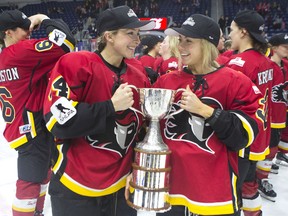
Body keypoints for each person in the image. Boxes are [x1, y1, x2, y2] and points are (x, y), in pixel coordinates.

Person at [144, 14, 264, 216]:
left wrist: (206, 111)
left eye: (189, 41)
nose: (181, 47)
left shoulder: (236, 82)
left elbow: (244, 136)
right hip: (172, 189)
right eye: (180, 40)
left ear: (208, 45)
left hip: (215, 193)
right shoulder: (166, 82)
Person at [43, 5, 155, 216]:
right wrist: (110, 107)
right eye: (130, 33)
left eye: (138, 34)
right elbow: (56, 121)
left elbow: (142, 128)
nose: (137, 40)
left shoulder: (138, 74)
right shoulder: (75, 63)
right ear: (109, 36)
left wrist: (139, 168)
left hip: (122, 186)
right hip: (75, 183)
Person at [0, 9, 75, 216]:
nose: (28, 31)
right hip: (30, 128)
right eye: (23, 28)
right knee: (29, 183)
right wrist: (43, 19)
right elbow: (65, 43)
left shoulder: (5, 57)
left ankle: (37, 212)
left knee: (41, 178)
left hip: (21, 126)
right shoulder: (20, 52)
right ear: (8, 33)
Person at [226, 10, 273, 215]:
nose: (229, 35)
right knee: (248, 184)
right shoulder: (266, 61)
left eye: (232, 30)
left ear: (243, 32)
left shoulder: (239, 63)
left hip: (244, 138)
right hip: (260, 135)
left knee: (231, 192)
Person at [267, 33, 288, 168]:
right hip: (269, 114)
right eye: (284, 46)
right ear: (274, 47)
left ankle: (271, 162)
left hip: (281, 111)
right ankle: (261, 175)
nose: (287, 48)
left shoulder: (285, 64)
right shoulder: (267, 65)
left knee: (276, 140)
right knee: (269, 143)